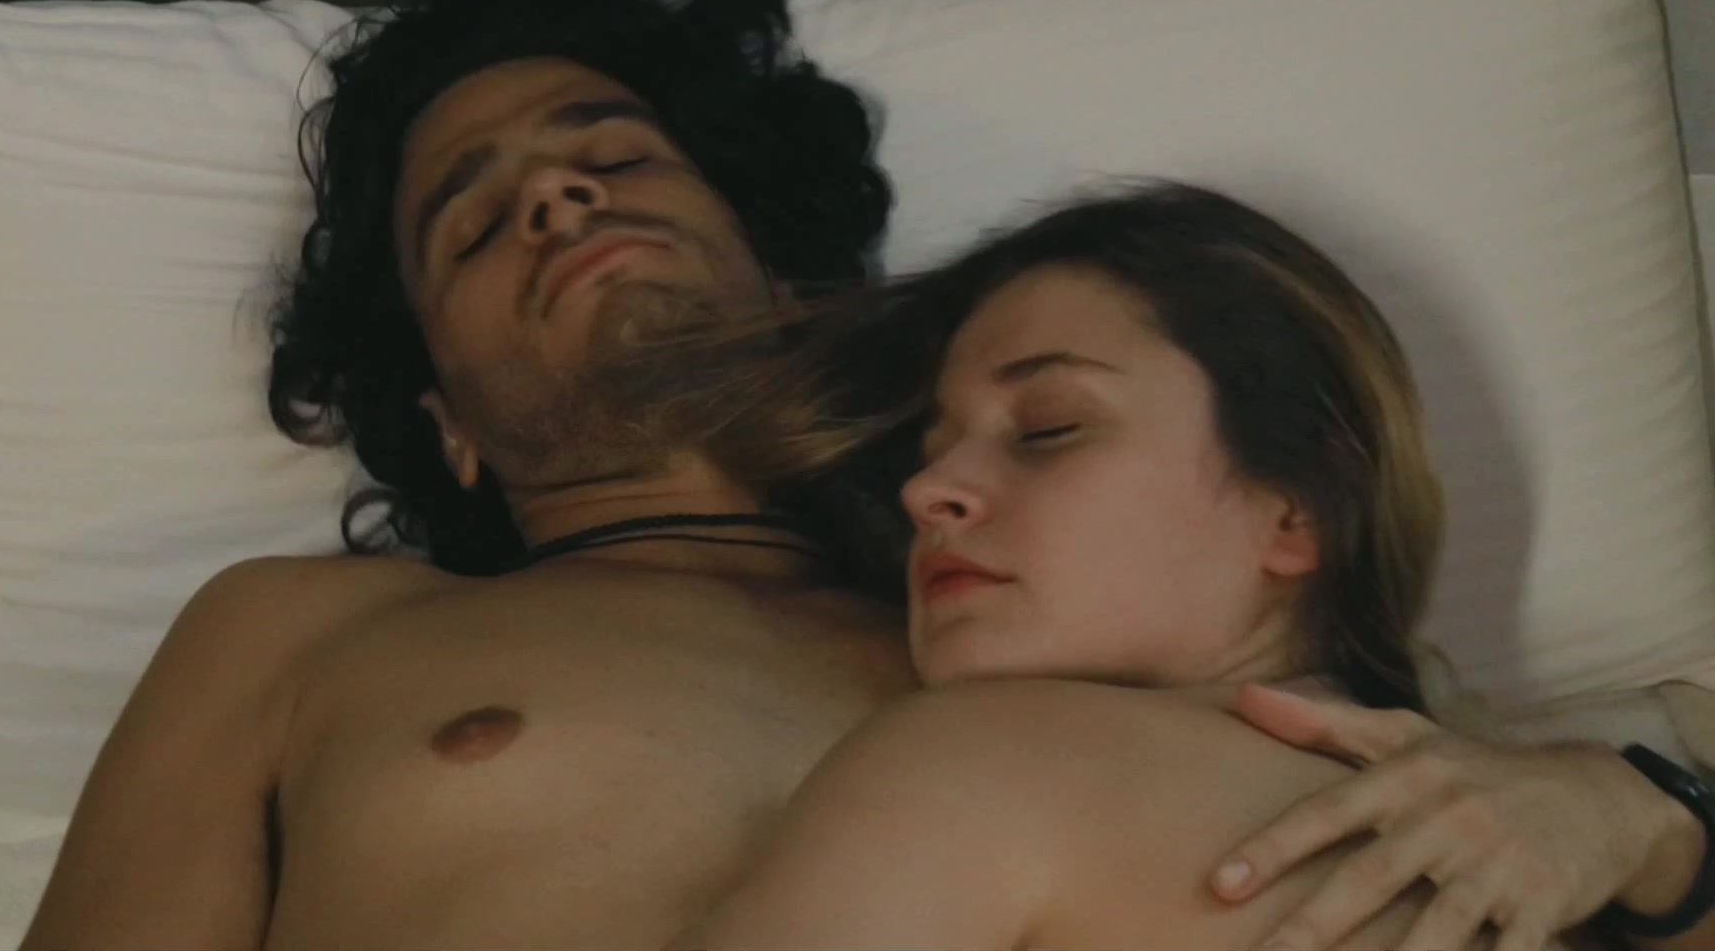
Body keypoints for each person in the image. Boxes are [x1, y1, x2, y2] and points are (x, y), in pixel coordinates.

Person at [17, 0, 1714, 950]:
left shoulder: (1062, 588)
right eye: (471, 221)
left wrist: (1636, 823)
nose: (556, 196)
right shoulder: (304, 635)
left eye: (615, 154)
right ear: (443, 422)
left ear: (774, 260)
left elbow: (1394, 764)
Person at [645, 179, 1712, 951]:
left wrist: (1655, 830)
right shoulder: (985, 762)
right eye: (932, 454)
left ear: (1296, 509)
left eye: (1049, 429)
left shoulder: (987, 761)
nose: (930, 493)